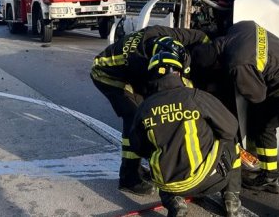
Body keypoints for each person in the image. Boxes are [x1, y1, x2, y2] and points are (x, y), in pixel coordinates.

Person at [190, 20, 279, 217]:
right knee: (260, 124)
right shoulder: (239, 27)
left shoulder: (237, 64)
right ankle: (270, 177)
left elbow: (257, 96)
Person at [90, 25, 210, 195]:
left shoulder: (168, 34)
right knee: (136, 117)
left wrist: (211, 50)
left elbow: (201, 34)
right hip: (106, 74)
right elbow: (158, 99)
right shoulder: (141, 63)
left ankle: (140, 169)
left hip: (129, 72)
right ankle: (129, 177)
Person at [130, 43, 241, 217]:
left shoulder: (144, 108)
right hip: (208, 181)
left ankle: (175, 203)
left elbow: (139, 148)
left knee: (158, 163)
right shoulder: (195, 97)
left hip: (169, 186)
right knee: (233, 143)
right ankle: (231, 202)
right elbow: (231, 128)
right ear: (180, 73)